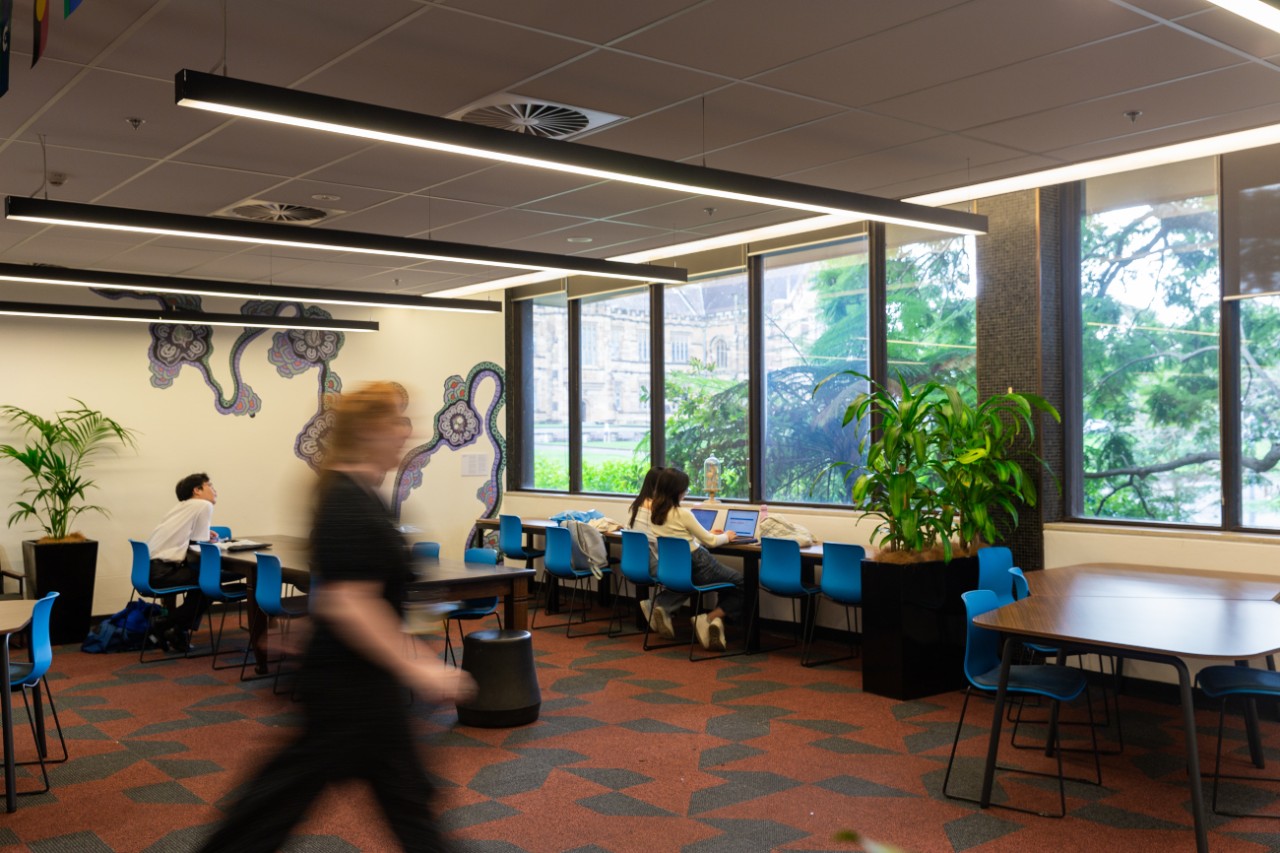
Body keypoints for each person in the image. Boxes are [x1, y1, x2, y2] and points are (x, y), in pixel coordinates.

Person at [197, 382, 474, 853]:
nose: (405, 434)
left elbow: (339, 590)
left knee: (387, 801)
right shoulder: (348, 500)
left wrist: (306, 631)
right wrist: (420, 667)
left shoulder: (356, 494)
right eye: (396, 423)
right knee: (283, 802)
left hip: (356, 683)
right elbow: (350, 601)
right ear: (368, 431)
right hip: (353, 688)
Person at [631, 467, 744, 650]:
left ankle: (661, 604)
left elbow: (680, 537)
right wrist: (728, 536)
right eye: (685, 489)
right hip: (700, 563)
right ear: (677, 491)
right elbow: (712, 541)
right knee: (740, 582)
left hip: (680, 567)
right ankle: (710, 618)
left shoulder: (655, 514)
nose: (685, 493)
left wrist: (703, 535)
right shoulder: (683, 513)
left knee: (723, 584)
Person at [145, 472, 220, 651]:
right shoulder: (203, 505)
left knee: (206, 583)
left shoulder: (182, 507)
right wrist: (205, 539)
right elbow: (199, 544)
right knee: (211, 585)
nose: (215, 491)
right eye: (210, 485)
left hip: (150, 569)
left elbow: (191, 538)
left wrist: (202, 536)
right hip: (163, 571)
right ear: (197, 490)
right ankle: (166, 625)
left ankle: (176, 630)